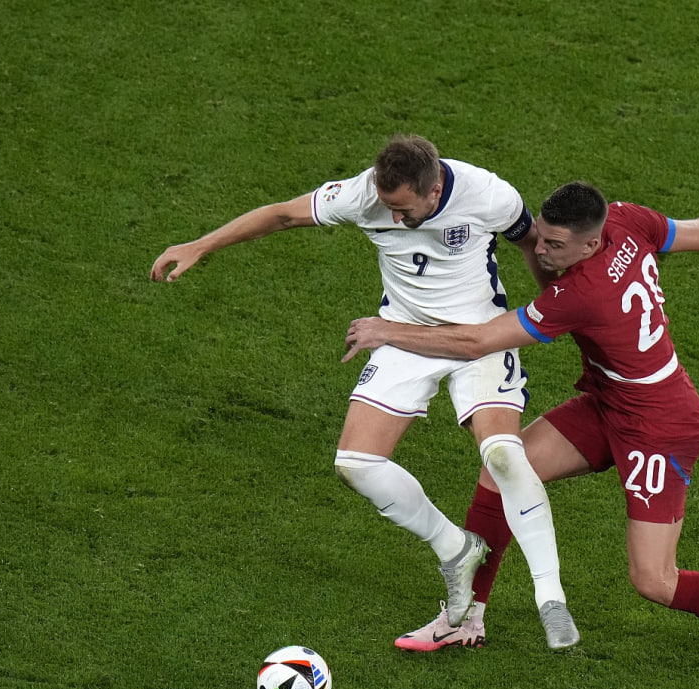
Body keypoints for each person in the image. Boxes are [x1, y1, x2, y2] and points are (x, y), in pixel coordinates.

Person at [342, 167, 699, 689]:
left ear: (591, 242)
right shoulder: (626, 219)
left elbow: (478, 342)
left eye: (554, 244)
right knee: (502, 468)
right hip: (612, 401)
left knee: (654, 580)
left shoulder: (582, 293)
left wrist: (386, 330)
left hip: (659, 424)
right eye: (542, 235)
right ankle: (467, 617)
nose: (540, 247)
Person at [151, 134, 580, 649]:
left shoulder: (487, 193)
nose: (392, 218)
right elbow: (283, 215)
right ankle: (455, 548)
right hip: (402, 335)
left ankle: (549, 598)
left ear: (434, 186)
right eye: (387, 207)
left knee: (504, 456)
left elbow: (532, 242)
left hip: (478, 338)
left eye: (403, 209)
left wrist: (553, 304)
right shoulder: (364, 195)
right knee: (355, 463)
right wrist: (200, 245)